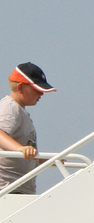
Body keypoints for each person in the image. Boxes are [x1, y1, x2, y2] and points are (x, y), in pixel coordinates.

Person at [0, 62, 55, 194]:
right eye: (37, 89)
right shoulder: (10, 108)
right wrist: (20, 149)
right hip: (8, 187)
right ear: (20, 87)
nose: (41, 93)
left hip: (19, 187)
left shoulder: (20, 111)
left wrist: (44, 160)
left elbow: (25, 155)